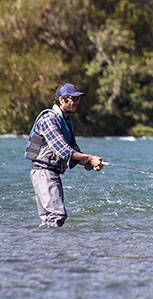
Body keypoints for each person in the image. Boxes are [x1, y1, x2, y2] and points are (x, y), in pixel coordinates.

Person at [25, 82, 104, 227]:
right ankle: (54, 248)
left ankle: (44, 246)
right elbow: (63, 150)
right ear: (62, 100)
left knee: (51, 219)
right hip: (43, 173)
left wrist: (88, 163)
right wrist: (89, 158)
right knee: (56, 216)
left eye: (78, 99)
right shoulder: (49, 119)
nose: (77, 102)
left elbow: (73, 149)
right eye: (73, 99)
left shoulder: (66, 122)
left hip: (50, 174)